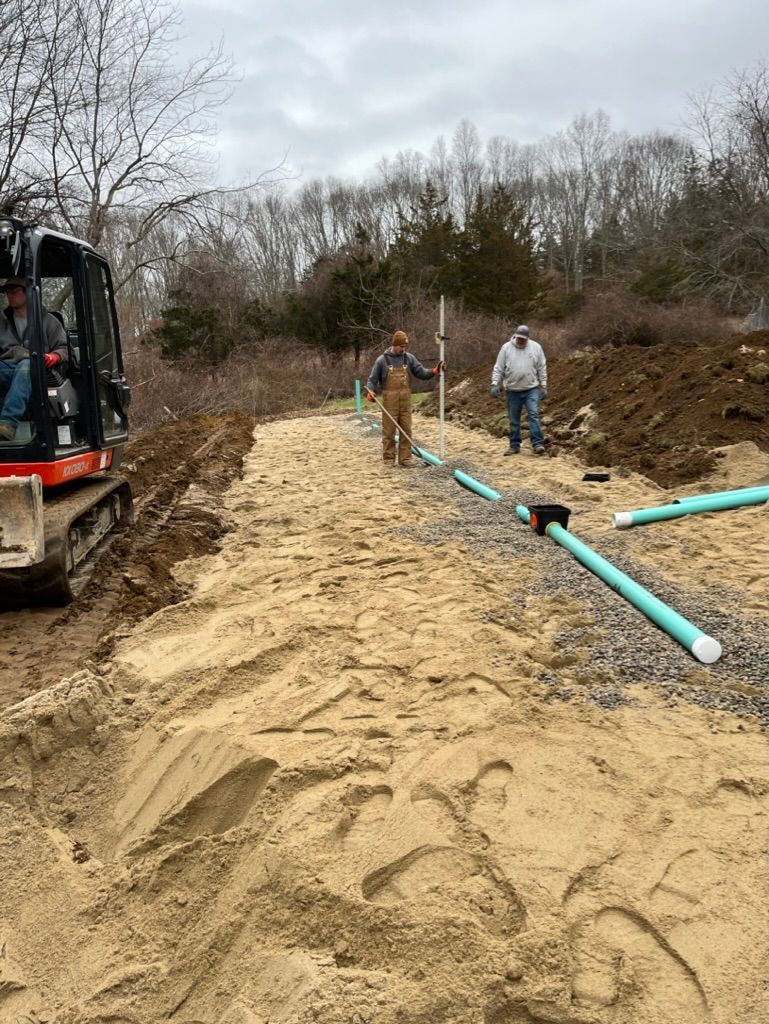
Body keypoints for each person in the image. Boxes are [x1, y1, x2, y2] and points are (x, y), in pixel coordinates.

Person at [0, 276, 67, 441]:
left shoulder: (48, 322)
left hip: (41, 373)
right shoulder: (3, 323)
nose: (10, 295)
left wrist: (54, 356)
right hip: (10, 369)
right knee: (25, 363)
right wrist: (28, 354)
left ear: (28, 293)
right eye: (7, 292)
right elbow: (7, 351)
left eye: (14, 291)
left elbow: (64, 349)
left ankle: (7, 425)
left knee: (27, 364)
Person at [365, 330, 444, 468]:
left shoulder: (409, 358)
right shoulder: (382, 361)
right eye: (401, 346)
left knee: (406, 430)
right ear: (394, 345)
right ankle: (389, 459)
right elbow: (372, 380)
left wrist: (434, 371)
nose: (403, 349)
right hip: (390, 402)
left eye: (405, 347)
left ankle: (405, 459)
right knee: (389, 431)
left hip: (405, 401)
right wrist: (370, 391)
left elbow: (421, 373)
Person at [490, 324, 548, 455]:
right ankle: (514, 445)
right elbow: (499, 367)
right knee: (514, 419)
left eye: (523, 339)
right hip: (512, 389)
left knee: (533, 414)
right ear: (515, 336)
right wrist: (494, 383)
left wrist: (543, 385)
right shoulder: (506, 348)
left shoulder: (536, 348)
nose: (520, 341)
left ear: (528, 338)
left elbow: (541, 367)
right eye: (519, 338)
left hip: (531, 388)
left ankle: (537, 443)